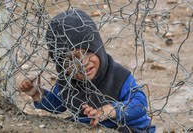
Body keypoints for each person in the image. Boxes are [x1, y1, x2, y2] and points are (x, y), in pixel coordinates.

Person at [19, 9, 156, 133]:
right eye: (71, 59)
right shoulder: (67, 81)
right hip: (89, 127)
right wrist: (37, 94)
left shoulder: (118, 75)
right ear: (61, 64)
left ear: (99, 48)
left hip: (130, 128)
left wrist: (110, 110)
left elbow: (140, 103)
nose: (83, 63)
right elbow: (58, 105)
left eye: (88, 52)